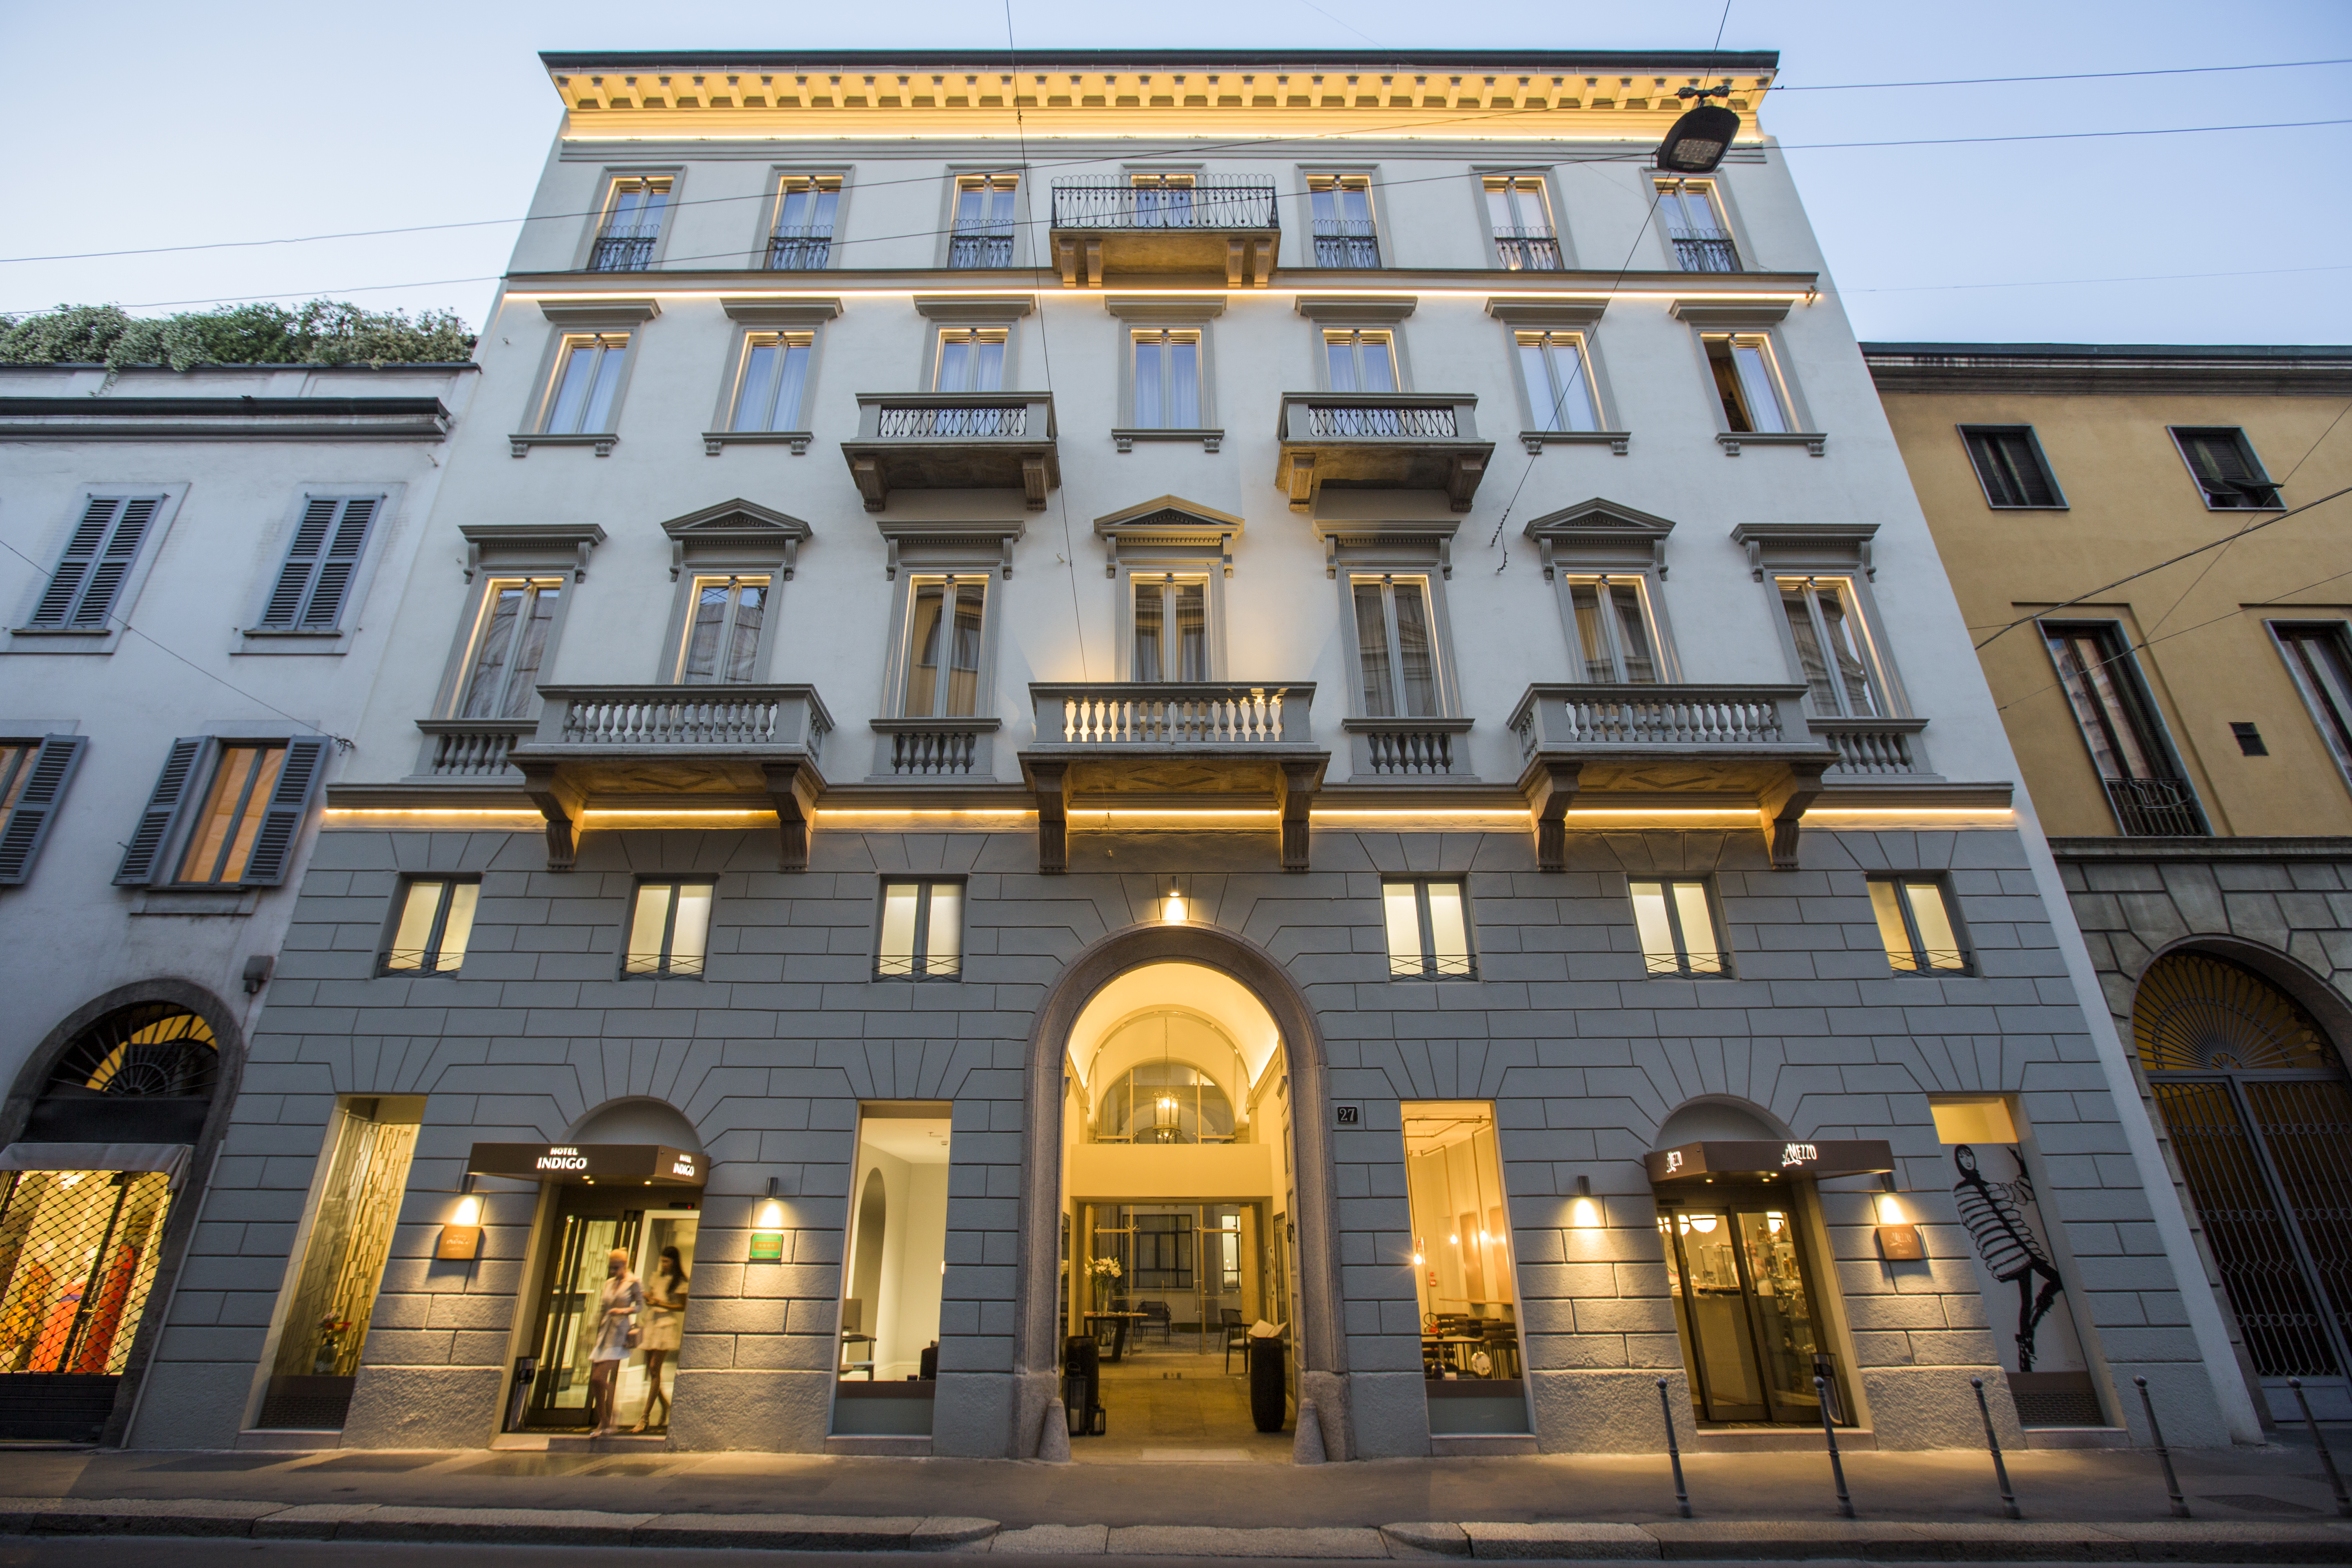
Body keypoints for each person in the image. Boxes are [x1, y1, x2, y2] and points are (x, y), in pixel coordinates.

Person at [586, 1248, 641, 1438]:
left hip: (619, 1334)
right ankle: (604, 1421)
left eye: (616, 1267)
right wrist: (593, 1329)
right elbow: (603, 1308)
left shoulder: (634, 1282)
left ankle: (614, 1412)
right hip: (605, 1333)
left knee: (598, 1378)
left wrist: (623, 1311)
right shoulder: (609, 1283)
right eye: (610, 1267)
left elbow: (640, 1306)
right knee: (595, 1381)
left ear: (624, 1265)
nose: (612, 1271)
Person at [633, 1245, 688, 1432]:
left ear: (674, 1262)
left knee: (654, 1368)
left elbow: (682, 1307)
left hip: (665, 1325)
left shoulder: (680, 1281)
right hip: (652, 1322)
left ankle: (645, 1417)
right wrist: (649, 1299)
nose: (664, 1264)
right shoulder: (656, 1277)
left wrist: (661, 1303)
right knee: (653, 1372)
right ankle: (665, 1405)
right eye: (662, 1261)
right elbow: (651, 1300)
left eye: (667, 1261)